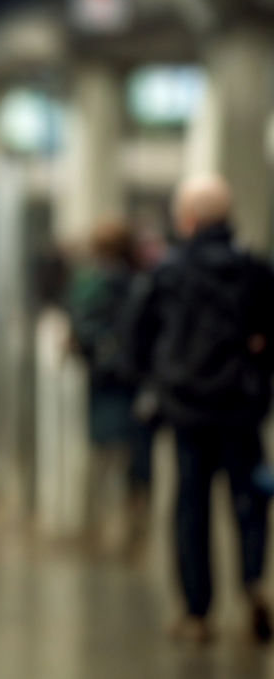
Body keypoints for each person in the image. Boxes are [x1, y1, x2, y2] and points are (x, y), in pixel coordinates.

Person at [122, 173, 274, 645]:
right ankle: (252, 580)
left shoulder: (165, 272)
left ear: (185, 217)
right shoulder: (254, 267)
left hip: (185, 408)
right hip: (241, 406)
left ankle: (196, 611)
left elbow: (135, 338)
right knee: (249, 498)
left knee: (191, 506)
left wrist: (156, 381)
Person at [65, 219, 151, 555]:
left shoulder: (89, 285)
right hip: (136, 382)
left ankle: (97, 525)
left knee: (101, 454)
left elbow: (79, 330)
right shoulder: (142, 282)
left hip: (103, 384)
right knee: (137, 458)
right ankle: (133, 528)